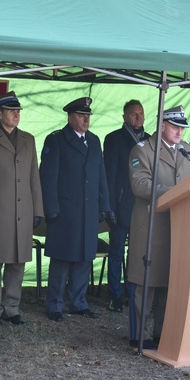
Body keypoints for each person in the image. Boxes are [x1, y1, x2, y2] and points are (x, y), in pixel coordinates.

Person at [126, 105, 190, 349]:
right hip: (151, 227)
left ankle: (162, 333)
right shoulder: (143, 150)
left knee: (170, 280)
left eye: (182, 128)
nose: (180, 132)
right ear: (163, 125)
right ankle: (139, 336)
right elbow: (140, 184)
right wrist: (177, 193)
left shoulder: (187, 150)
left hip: (179, 225)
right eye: (176, 127)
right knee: (145, 284)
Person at [0, 91, 44, 325]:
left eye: (18, 111)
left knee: (18, 262)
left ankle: (12, 307)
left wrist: (38, 210)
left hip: (23, 212)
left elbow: (34, 176)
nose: (16, 114)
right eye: (11, 111)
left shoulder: (28, 139)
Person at [40, 97, 111, 322]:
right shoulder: (57, 140)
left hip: (88, 209)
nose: (85, 120)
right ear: (70, 118)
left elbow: (101, 176)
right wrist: (50, 208)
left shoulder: (94, 140)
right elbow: (48, 177)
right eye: (81, 116)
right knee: (62, 259)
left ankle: (79, 302)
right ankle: (55, 304)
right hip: (65, 211)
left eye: (88, 116)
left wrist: (105, 205)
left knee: (83, 257)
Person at [102, 99, 149, 313]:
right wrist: (109, 207)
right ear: (124, 117)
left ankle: (134, 294)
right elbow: (108, 176)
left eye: (140, 114)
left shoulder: (150, 141)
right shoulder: (113, 139)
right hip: (120, 206)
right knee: (116, 252)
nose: (138, 118)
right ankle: (115, 296)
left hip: (142, 208)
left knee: (138, 254)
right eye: (133, 114)